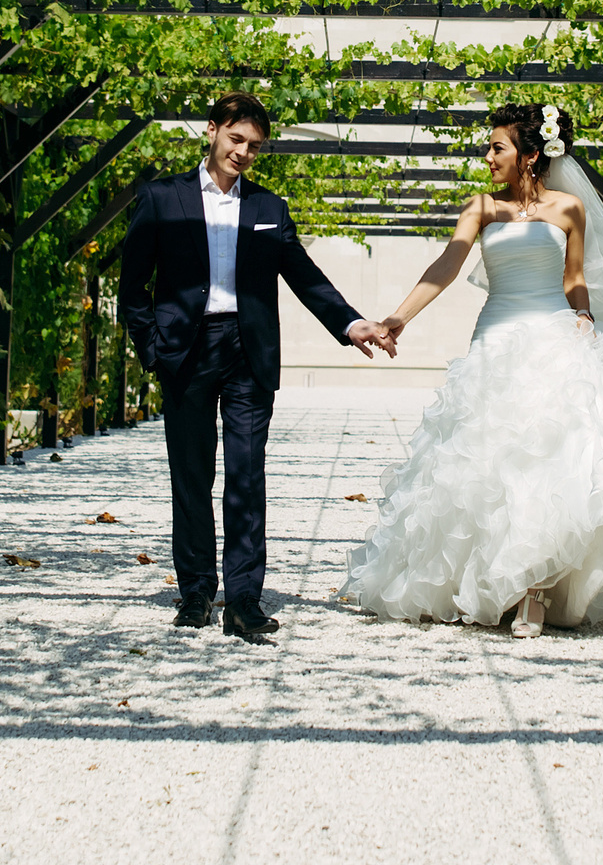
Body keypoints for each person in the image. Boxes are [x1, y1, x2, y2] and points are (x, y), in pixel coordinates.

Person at [343, 103, 603, 637]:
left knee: (548, 459)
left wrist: (584, 316)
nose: (488, 155)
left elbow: (573, 278)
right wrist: (396, 319)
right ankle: (495, 579)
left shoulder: (569, 209)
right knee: (489, 461)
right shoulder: (480, 207)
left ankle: (534, 591)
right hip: (495, 339)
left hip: (552, 336)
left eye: (497, 146)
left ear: (530, 155)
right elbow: (447, 265)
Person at [119, 92, 396, 642]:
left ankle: (243, 599)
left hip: (248, 354)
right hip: (185, 353)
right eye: (236, 139)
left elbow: (304, 274)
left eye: (255, 146)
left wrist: (350, 323)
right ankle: (196, 589)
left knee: (247, 476)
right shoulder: (160, 197)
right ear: (212, 131)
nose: (244, 152)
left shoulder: (270, 209)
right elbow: (133, 289)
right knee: (191, 477)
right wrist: (153, 351)